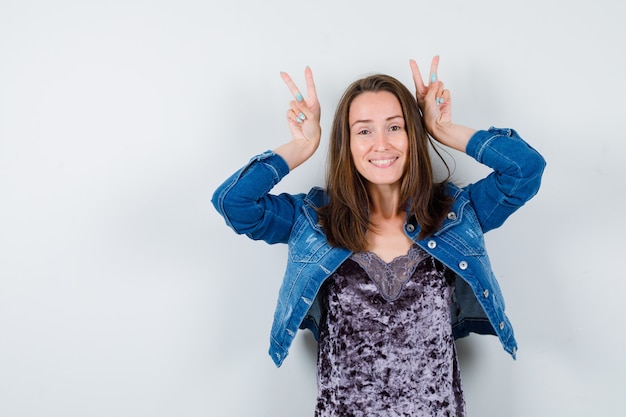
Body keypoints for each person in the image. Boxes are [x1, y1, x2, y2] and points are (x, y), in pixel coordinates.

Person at [211, 56, 545, 416]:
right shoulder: (312, 219)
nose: (381, 144)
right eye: (364, 130)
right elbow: (234, 203)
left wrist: (442, 129)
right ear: (347, 143)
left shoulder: (456, 214)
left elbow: (525, 170)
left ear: (412, 135)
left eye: (395, 127)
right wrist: (301, 147)